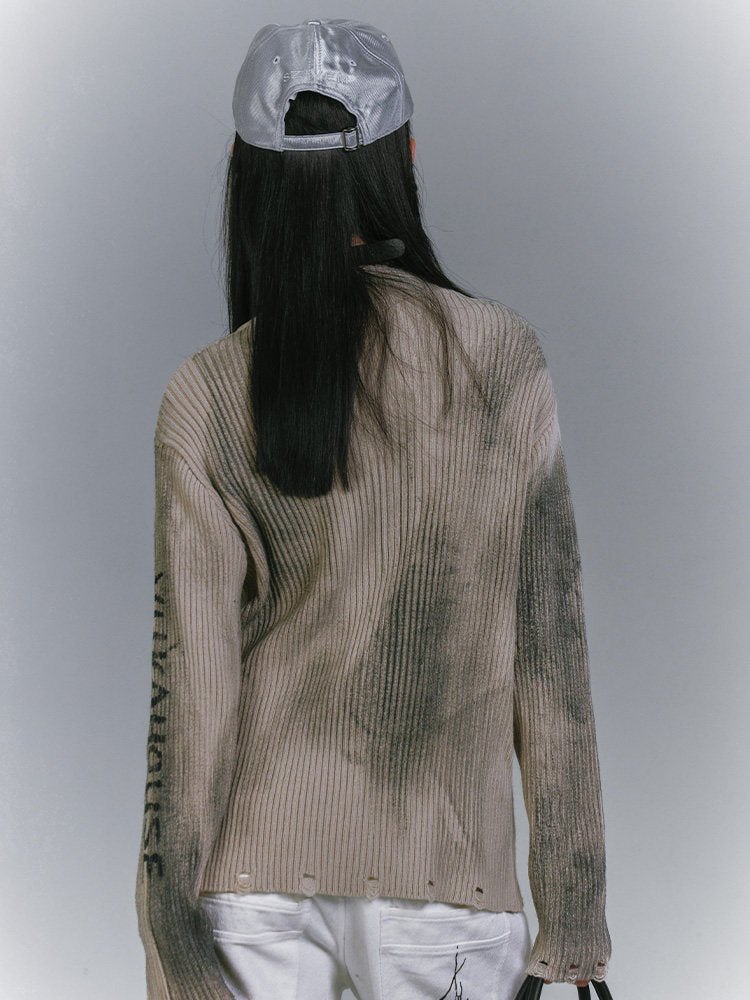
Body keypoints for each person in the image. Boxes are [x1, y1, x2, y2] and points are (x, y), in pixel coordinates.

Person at [134, 18, 612, 1000]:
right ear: (407, 157)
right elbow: (550, 653)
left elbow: (189, 694)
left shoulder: (208, 392)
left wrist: (172, 935)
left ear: (247, 176)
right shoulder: (499, 360)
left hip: (249, 881)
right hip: (447, 880)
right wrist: (572, 920)